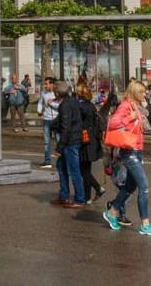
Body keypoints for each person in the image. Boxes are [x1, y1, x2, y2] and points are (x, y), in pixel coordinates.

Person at [102, 79, 151, 236]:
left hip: (137, 150)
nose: (146, 93)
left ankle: (112, 212)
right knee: (144, 187)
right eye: (142, 92)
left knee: (129, 187)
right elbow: (113, 122)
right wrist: (131, 116)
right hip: (129, 152)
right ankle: (145, 224)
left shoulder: (136, 105)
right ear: (135, 92)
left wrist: (142, 109)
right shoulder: (126, 106)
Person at [51, 80, 89, 208]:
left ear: (57, 93)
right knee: (61, 166)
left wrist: (59, 148)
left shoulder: (65, 105)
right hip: (74, 139)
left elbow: (66, 128)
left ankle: (79, 199)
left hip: (70, 142)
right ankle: (64, 195)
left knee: (74, 170)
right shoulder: (73, 101)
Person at [77, 83, 106, 203]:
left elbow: (77, 122)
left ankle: (94, 191)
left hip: (84, 139)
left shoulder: (80, 107)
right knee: (86, 169)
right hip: (92, 139)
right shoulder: (91, 106)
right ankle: (91, 194)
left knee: (83, 170)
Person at [39, 77, 62, 168]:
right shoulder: (43, 93)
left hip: (56, 120)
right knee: (46, 142)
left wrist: (51, 103)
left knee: (59, 140)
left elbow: (61, 105)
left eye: (46, 84)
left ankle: (62, 161)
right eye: (44, 84)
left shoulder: (58, 93)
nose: (45, 85)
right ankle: (47, 161)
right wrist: (39, 110)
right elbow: (40, 102)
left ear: (52, 84)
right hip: (47, 120)